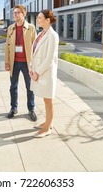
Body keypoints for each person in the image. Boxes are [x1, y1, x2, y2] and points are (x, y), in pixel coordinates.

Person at [4, 5, 37, 121]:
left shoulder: (31, 28)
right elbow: (7, 46)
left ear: (23, 14)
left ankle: (31, 109)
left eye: (18, 13)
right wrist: (7, 62)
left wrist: (34, 64)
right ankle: (13, 108)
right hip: (14, 63)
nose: (15, 15)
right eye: (14, 13)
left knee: (30, 87)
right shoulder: (10, 28)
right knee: (13, 87)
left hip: (27, 63)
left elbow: (35, 48)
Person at [29, 9, 59, 138]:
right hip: (39, 71)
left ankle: (48, 128)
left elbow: (49, 58)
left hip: (46, 73)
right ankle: (48, 122)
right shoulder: (41, 33)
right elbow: (35, 52)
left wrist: (37, 72)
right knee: (45, 98)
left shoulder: (52, 35)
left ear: (48, 20)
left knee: (48, 100)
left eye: (40, 17)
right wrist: (31, 67)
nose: (37, 19)